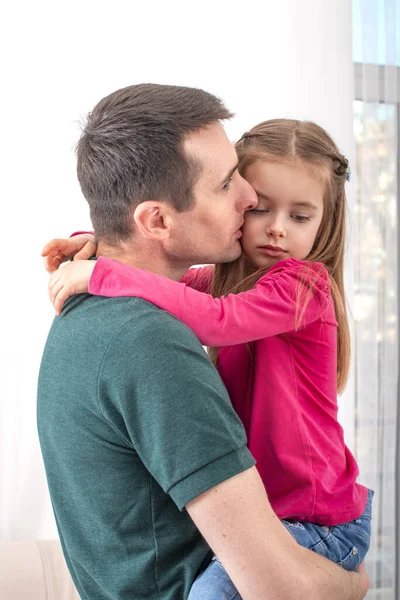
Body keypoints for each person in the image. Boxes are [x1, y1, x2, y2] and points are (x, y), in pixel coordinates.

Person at [39, 86, 369, 600]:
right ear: (156, 220)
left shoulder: (300, 286)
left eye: (300, 216)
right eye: (226, 184)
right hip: (287, 520)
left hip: (313, 516)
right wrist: (351, 587)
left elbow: (211, 317)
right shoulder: (148, 340)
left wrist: (104, 264)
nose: (250, 201)